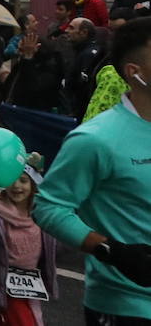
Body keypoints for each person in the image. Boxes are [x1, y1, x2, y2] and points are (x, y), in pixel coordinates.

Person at [34, 18, 151, 325]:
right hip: (127, 306)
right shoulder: (96, 139)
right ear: (134, 74)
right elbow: (48, 206)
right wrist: (110, 250)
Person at [0, 168, 59, 326]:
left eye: (24, 180)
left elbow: (56, 245)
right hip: (2, 281)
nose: (16, 185)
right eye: (11, 180)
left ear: (34, 185)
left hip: (31, 281)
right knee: (25, 322)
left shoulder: (41, 211)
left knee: (35, 318)